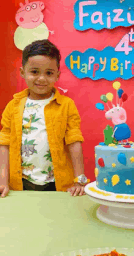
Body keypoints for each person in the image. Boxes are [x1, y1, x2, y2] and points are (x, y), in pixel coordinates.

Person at [0, 39, 89, 198]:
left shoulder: (66, 105)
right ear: (22, 72)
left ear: (57, 75)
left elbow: (74, 142)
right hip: (20, 184)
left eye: (49, 73)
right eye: (34, 71)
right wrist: (3, 180)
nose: (41, 78)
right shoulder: (12, 107)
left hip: (58, 185)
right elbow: (4, 145)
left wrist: (80, 180)